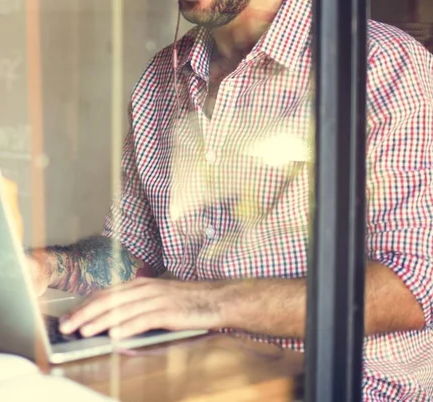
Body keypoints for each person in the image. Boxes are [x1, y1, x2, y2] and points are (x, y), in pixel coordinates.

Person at [23, 0, 433, 399]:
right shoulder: (162, 77)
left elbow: (411, 287)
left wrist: (205, 302)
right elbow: (134, 254)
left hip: (340, 388)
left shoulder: (381, 66)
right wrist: (47, 266)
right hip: (199, 375)